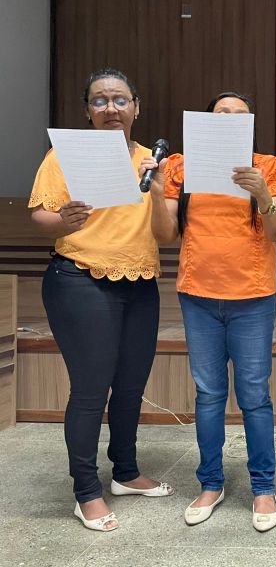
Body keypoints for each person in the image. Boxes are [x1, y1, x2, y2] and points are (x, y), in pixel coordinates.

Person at [29, 67, 174, 533]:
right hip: (79, 279)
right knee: (91, 389)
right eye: (100, 100)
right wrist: (64, 221)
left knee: (131, 385)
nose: (111, 108)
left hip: (140, 281)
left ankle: (126, 472)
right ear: (87, 110)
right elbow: (41, 216)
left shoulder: (153, 161)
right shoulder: (65, 155)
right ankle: (86, 490)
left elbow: (166, 234)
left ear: (137, 108)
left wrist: (157, 189)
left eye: (120, 100)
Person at [144, 92, 276, 532]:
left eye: (239, 115)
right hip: (198, 295)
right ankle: (210, 484)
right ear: (206, 122)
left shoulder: (269, 166)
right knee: (208, 394)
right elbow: (165, 234)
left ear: (250, 125)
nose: (229, 119)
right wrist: (157, 192)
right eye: (221, 113)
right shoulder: (181, 167)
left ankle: (263, 487)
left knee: (254, 395)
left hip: (253, 297)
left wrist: (262, 193)